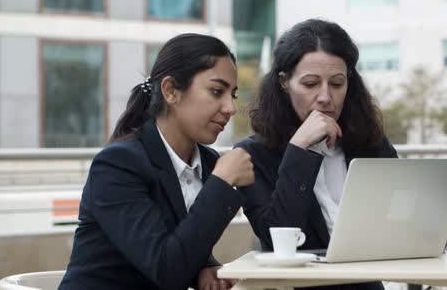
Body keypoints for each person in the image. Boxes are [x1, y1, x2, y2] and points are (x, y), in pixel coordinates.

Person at [59, 33, 254, 290]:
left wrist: (206, 265)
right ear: (171, 91)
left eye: (233, 95)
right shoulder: (118, 165)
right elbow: (165, 269)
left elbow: (180, 238)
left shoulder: (206, 162)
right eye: (217, 91)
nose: (230, 108)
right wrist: (221, 182)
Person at [235, 19, 398, 290]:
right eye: (310, 84)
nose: (325, 97)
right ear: (285, 82)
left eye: (337, 83)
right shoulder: (253, 155)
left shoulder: (370, 144)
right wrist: (298, 149)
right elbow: (276, 240)